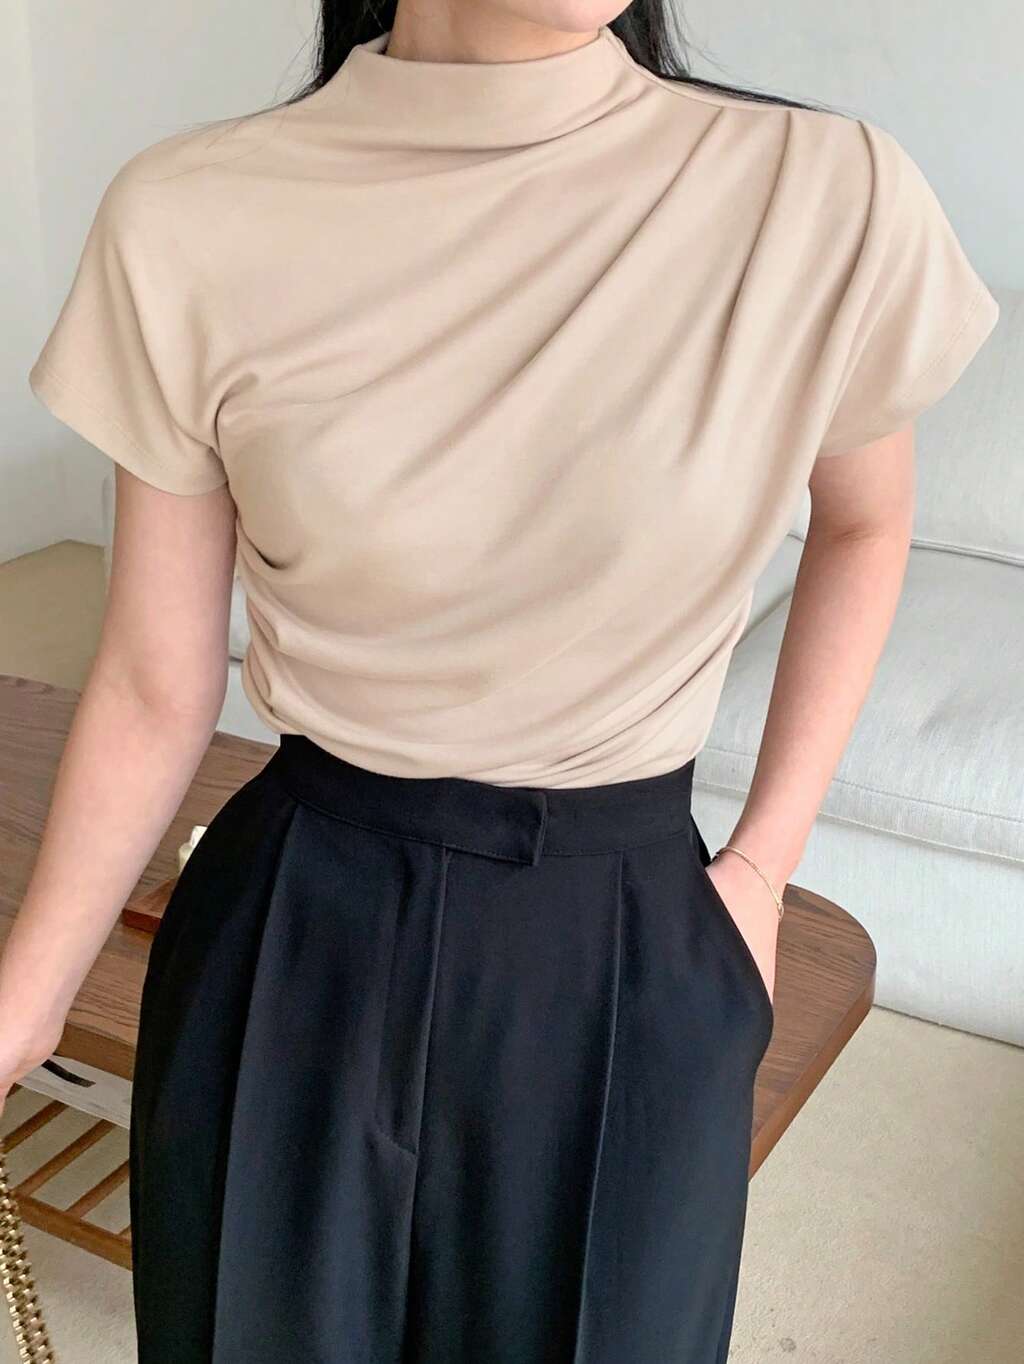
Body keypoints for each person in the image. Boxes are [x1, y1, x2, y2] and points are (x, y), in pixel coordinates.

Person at [2, 1, 999, 1360]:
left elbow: (868, 523)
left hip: (626, 932)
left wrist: (763, 869)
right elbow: (151, 676)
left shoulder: (820, 193)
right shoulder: (190, 214)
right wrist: (25, 1001)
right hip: (297, 923)